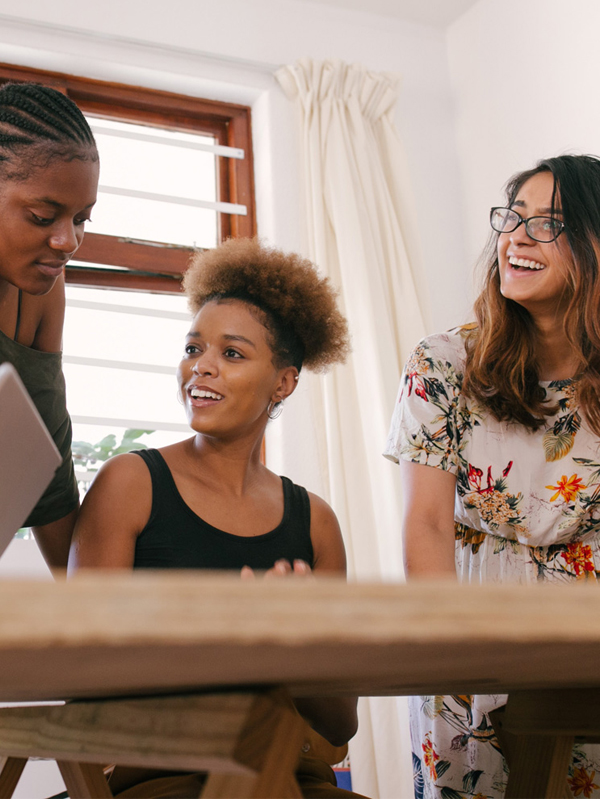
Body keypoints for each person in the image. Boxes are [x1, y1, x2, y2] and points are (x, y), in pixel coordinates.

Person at [70, 237, 366, 799]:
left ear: (283, 381)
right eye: (192, 348)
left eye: (231, 354)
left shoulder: (315, 521)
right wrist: (235, 640)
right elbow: (84, 675)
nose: (200, 367)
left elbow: (339, 723)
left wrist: (302, 644)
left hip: (294, 780)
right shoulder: (130, 485)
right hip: (162, 778)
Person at [385, 154, 600, 798]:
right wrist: (456, 651)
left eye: (549, 223)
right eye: (513, 217)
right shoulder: (444, 362)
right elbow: (424, 525)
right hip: (465, 639)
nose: (516, 237)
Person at [0, 82, 99, 569]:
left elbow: (47, 457)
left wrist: (87, 607)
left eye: (82, 218)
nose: (67, 241)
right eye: (43, 216)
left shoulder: (44, 290)